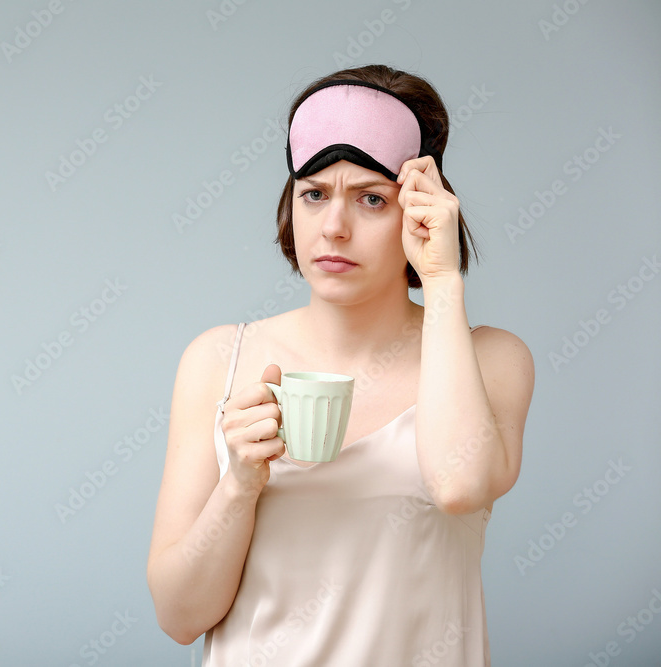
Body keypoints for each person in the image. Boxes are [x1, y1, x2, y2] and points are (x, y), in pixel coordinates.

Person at [146, 64, 536, 665]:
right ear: (292, 206)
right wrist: (240, 486)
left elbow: (459, 487)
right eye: (315, 194)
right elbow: (178, 617)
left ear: (419, 213)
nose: (334, 227)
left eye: (372, 200)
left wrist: (441, 279)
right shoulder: (218, 361)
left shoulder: (493, 359)